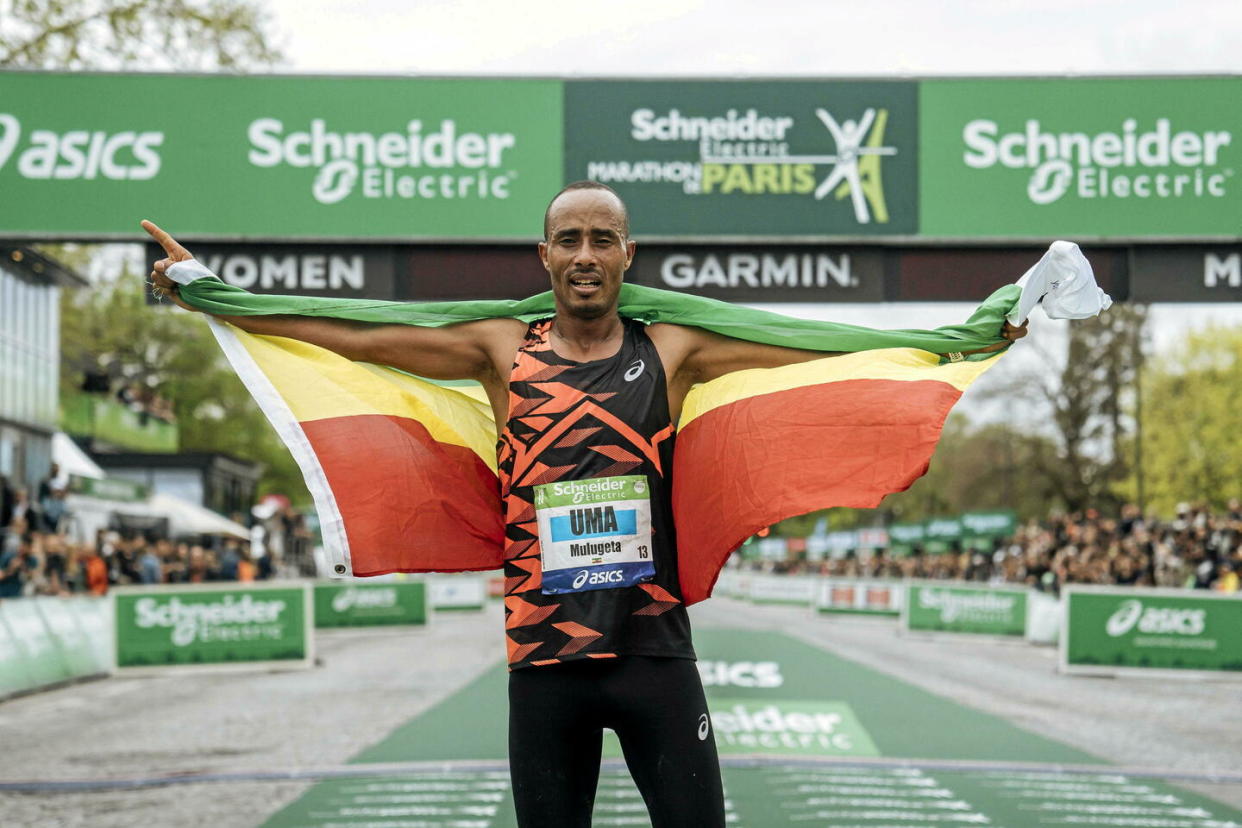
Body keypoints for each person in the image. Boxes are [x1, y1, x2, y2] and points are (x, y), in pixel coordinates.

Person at [145, 182, 1025, 828]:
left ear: (627, 255)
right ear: (545, 255)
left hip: (653, 652)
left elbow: (825, 353)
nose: (585, 256)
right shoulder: (499, 348)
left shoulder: (671, 346)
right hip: (545, 660)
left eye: (604, 239)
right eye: (568, 239)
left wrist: (965, 337)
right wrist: (218, 294)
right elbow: (357, 330)